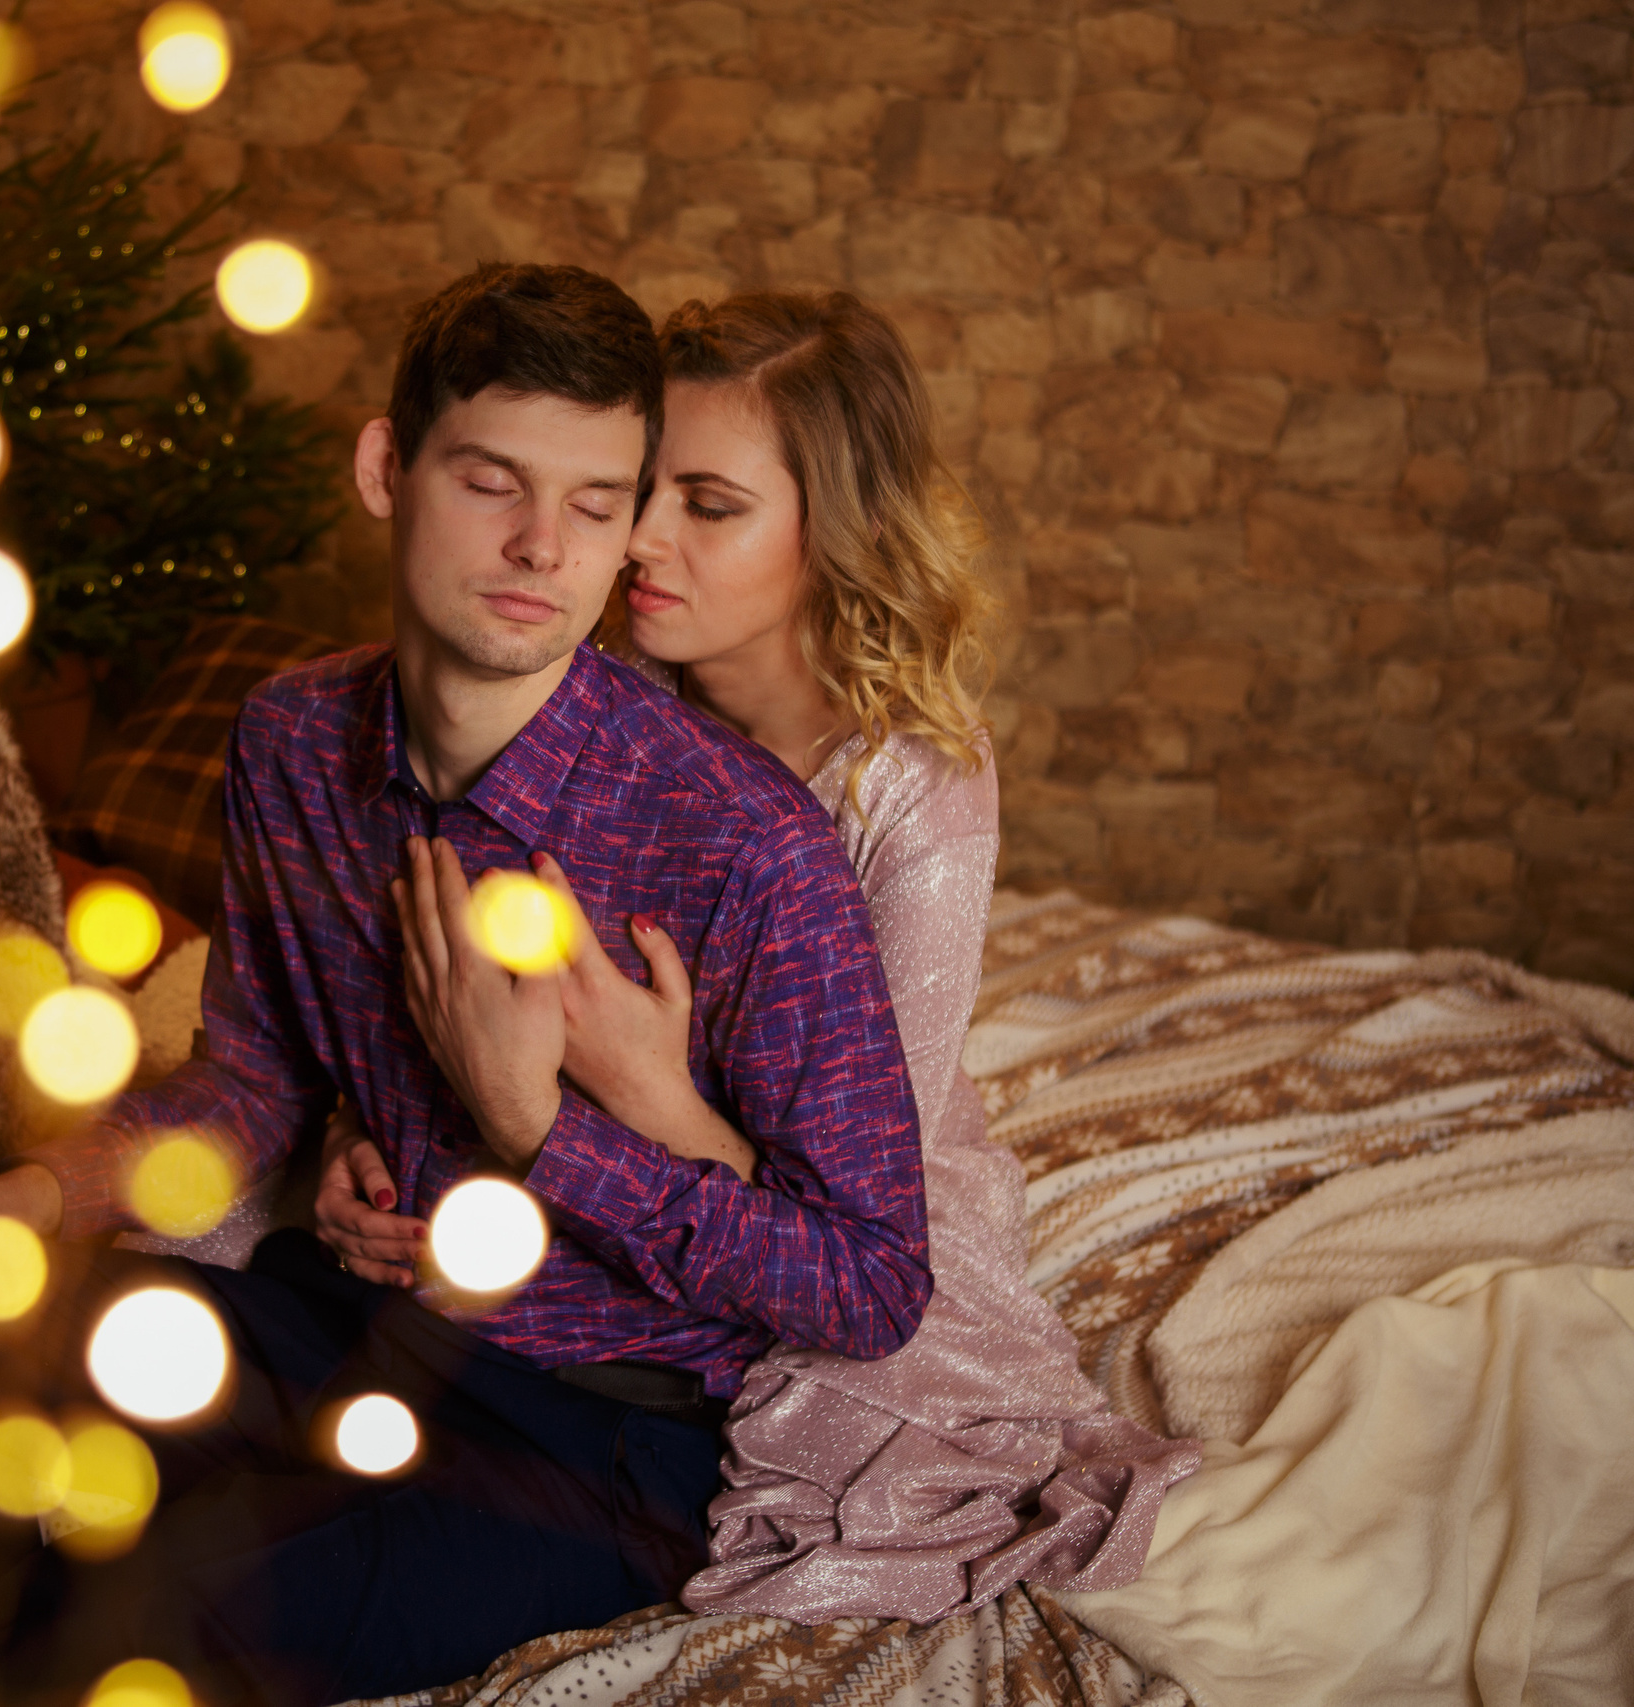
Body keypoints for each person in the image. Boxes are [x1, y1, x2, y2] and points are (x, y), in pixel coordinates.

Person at [0, 264, 935, 1707]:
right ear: (390, 468)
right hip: (341, 1329)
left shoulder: (747, 845)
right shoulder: (294, 739)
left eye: (591, 503)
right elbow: (248, 1079)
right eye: (490, 481)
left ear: (630, 518)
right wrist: (26, 1201)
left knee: (144, 1624)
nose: (537, 547)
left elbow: (871, 1284)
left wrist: (544, 1132)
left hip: (590, 1434)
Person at [315, 289, 1198, 1626]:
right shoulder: (583, 701)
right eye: (641, 492)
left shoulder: (914, 792)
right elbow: (430, 969)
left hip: (822, 1205)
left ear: (829, 531)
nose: (643, 541)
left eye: (711, 506)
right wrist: (355, 1129)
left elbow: (851, 1214)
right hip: (561, 1166)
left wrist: (645, 1086)